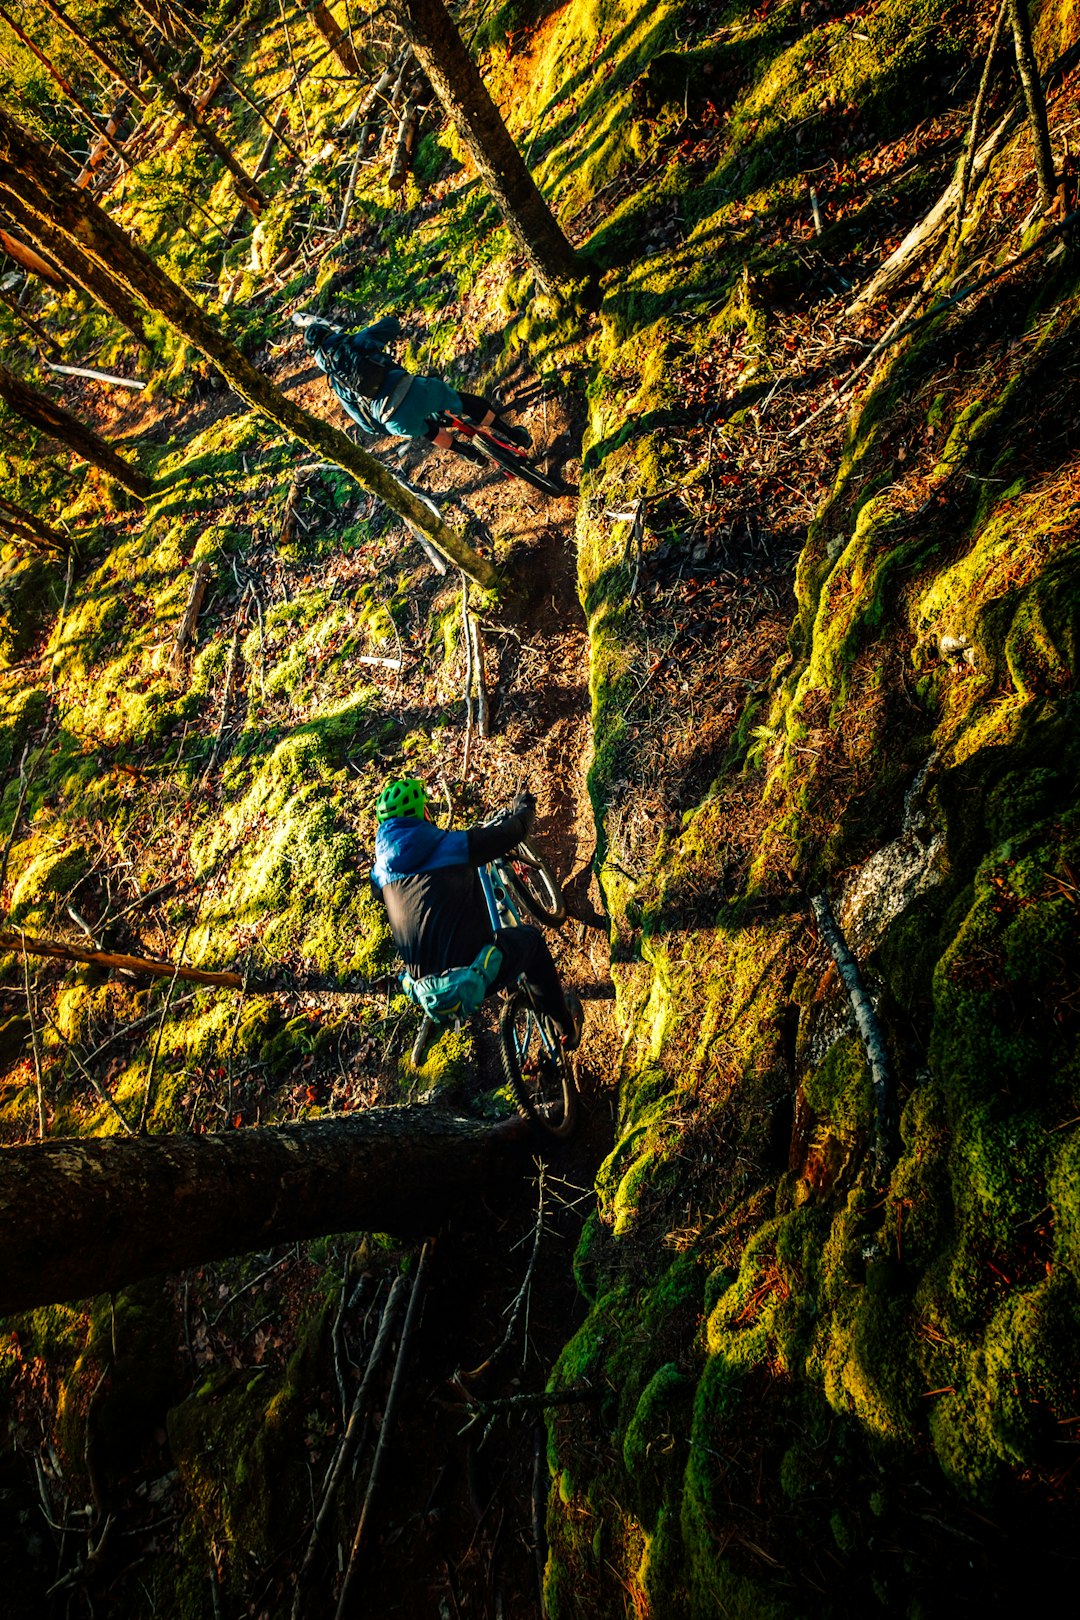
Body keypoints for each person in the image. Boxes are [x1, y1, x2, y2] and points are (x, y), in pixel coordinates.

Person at [370, 777, 583, 1048]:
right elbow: (511, 834)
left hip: (427, 995)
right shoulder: (451, 847)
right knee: (532, 942)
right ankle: (567, 1030)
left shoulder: (379, 876)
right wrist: (524, 807)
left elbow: (382, 894)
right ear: (424, 812)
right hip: (471, 975)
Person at [293, 311, 530, 465]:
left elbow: (364, 422)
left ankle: (468, 454)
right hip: (412, 389)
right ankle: (514, 434)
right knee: (462, 401)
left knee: (427, 430)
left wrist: (385, 429)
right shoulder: (355, 342)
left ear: (316, 357)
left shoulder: (335, 381)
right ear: (329, 333)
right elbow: (391, 325)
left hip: (392, 419)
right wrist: (365, 335)